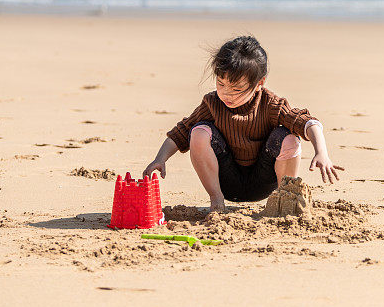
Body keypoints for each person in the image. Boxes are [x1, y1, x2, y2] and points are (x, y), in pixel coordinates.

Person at [143, 34, 344, 212]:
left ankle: (285, 198)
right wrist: (160, 159)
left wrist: (322, 152)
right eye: (220, 84)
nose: (226, 94)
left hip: (265, 180)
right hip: (225, 181)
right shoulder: (213, 103)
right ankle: (216, 201)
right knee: (198, 132)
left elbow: (308, 123)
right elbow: (180, 133)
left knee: (289, 137)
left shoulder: (271, 104)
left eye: (237, 89)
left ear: (259, 83)